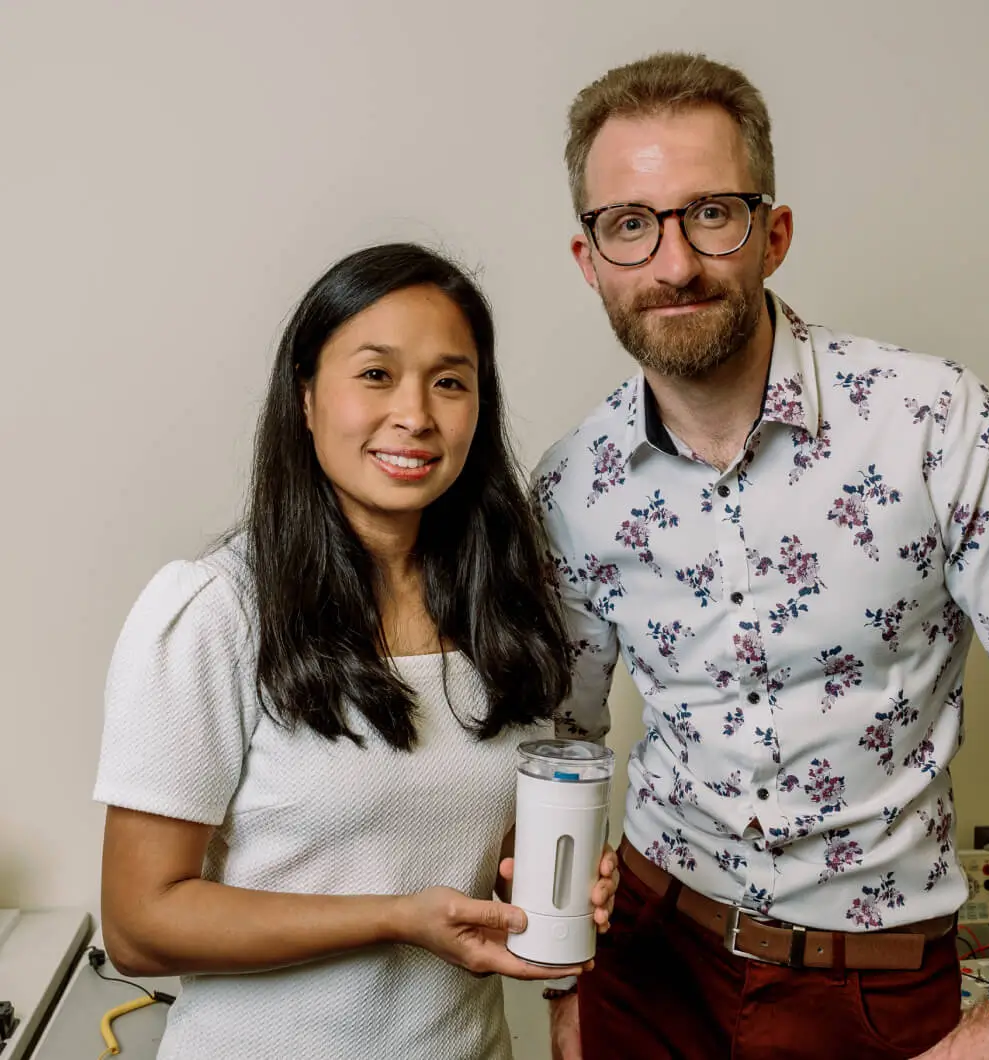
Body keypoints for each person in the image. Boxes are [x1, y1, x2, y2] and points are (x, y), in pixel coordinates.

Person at [533, 53, 989, 1060]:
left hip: (866, 992)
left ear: (773, 234)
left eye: (712, 213)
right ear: (590, 259)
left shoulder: (933, 424)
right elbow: (556, 743)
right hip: (646, 972)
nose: (675, 261)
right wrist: (568, 979)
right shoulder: (574, 484)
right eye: (631, 224)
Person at [94, 243, 617, 1060]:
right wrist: (396, 917)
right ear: (305, 397)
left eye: (450, 381)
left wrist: (561, 885)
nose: (415, 414)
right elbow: (138, 924)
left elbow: (483, 847)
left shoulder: (508, 608)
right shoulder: (215, 612)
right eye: (376, 374)